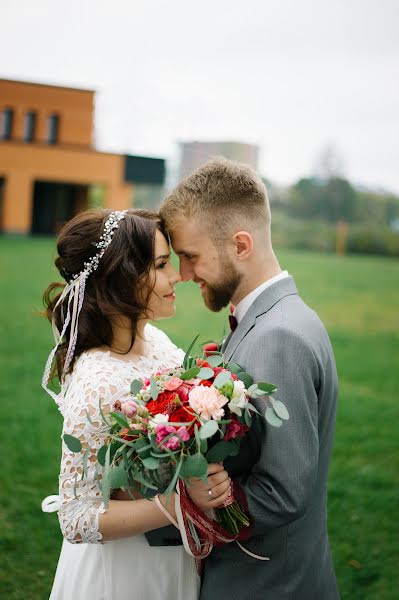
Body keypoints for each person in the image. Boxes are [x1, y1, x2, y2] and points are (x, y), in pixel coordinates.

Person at [159, 158, 341, 600]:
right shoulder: (268, 320)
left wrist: (181, 511)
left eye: (190, 257)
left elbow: (282, 492)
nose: (182, 275)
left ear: (241, 245)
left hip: (266, 585)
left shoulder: (279, 336)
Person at [41, 208, 231, 600]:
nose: (177, 275)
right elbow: (76, 517)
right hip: (123, 575)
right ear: (121, 276)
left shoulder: (159, 343)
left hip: (174, 562)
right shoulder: (98, 380)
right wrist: (179, 502)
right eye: (161, 265)